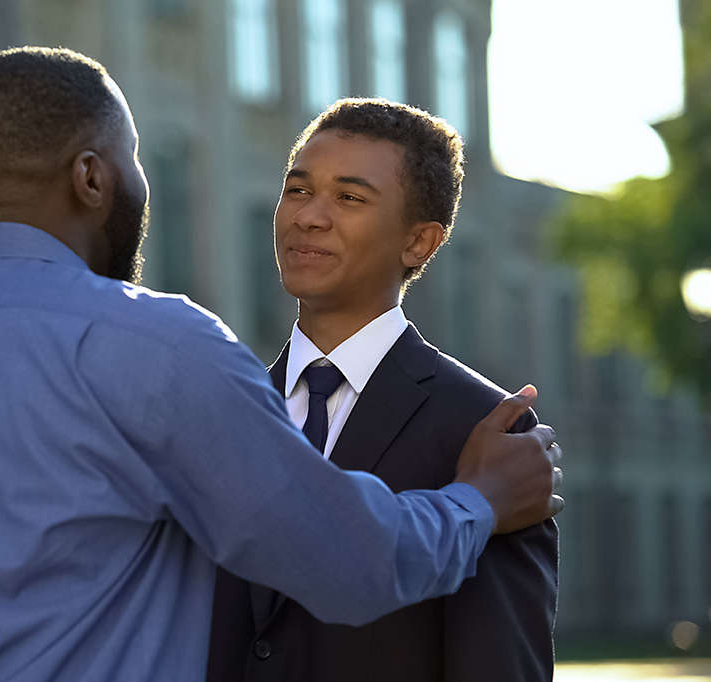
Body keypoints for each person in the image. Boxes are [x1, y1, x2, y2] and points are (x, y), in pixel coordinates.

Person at [0, 48, 563, 682]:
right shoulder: (152, 348)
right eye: (134, 158)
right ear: (93, 177)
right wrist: (478, 503)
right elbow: (349, 558)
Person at [206, 98, 559, 682]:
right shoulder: (219, 410)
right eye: (297, 190)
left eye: (349, 198)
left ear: (419, 242)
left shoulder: (486, 429)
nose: (309, 217)